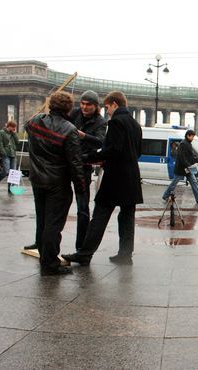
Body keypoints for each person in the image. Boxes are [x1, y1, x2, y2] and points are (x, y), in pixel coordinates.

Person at [63, 91, 143, 266]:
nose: (106, 111)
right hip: (131, 177)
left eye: (107, 107)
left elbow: (111, 150)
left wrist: (88, 157)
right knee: (127, 218)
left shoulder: (116, 122)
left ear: (114, 104)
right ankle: (125, 255)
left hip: (115, 178)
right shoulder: (136, 125)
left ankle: (84, 254)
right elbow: (138, 151)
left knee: (100, 216)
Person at [25, 91, 85, 276]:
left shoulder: (34, 122)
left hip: (37, 180)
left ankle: (46, 259)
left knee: (42, 222)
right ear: (69, 108)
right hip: (58, 184)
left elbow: (26, 124)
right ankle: (50, 264)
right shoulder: (69, 129)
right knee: (53, 225)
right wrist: (81, 187)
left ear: (50, 105)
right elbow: (75, 164)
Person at [68, 90, 107, 250]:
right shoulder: (74, 113)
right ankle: (43, 241)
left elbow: (100, 142)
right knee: (55, 205)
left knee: (82, 208)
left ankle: (81, 247)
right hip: (66, 163)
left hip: (83, 166)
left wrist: (84, 136)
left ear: (96, 106)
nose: (84, 107)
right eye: (82, 104)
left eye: (88, 105)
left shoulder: (101, 122)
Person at [162, 129, 198, 204]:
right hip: (181, 169)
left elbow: (192, 155)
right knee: (174, 183)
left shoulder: (188, 144)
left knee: (194, 182)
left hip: (188, 169)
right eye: (192, 136)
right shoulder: (183, 144)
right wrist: (188, 165)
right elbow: (182, 157)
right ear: (188, 136)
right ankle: (165, 195)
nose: (193, 138)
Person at [0, 120, 19, 194]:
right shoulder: (1, 133)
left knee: (12, 173)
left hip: (13, 154)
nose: (14, 129)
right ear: (9, 126)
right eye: (13, 127)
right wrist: (4, 153)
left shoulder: (13, 134)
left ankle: (10, 188)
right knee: (6, 171)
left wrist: (15, 134)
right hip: (6, 155)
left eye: (15, 127)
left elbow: (17, 142)